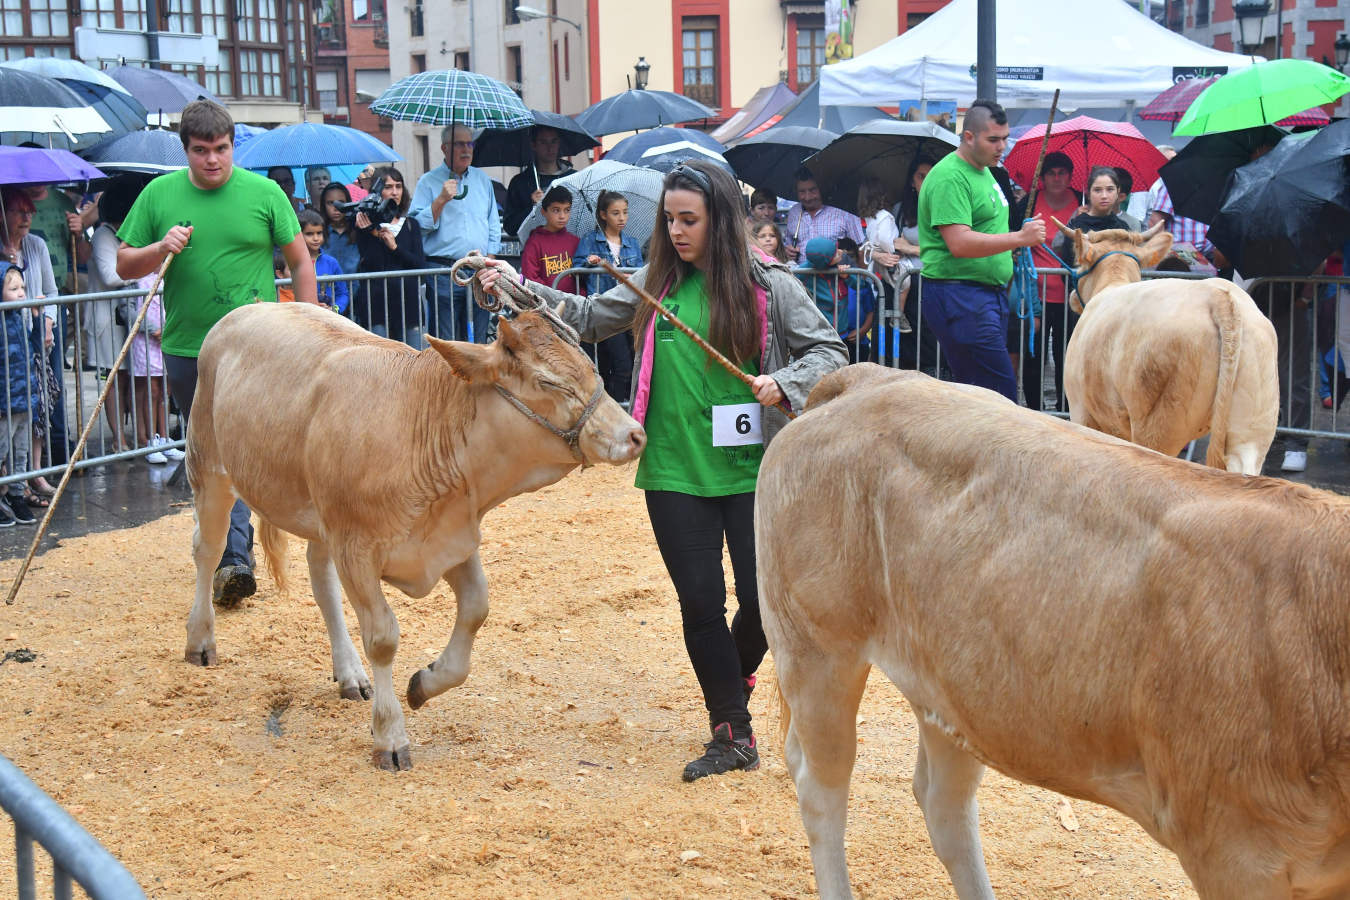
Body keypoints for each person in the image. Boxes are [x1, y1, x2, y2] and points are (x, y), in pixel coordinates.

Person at [475, 159, 848, 782]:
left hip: (756, 466)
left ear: (721, 221)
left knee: (761, 602)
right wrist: (519, 285)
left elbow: (829, 351)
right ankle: (732, 729)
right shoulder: (655, 282)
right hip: (672, 467)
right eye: (669, 220)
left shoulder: (771, 284)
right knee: (700, 602)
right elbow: (589, 317)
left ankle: (732, 674)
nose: (676, 232)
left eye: (689, 220)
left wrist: (784, 381)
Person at [116, 99, 317, 610]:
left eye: (221, 149)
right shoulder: (159, 194)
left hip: (261, 350)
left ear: (233, 147)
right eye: (202, 151)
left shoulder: (265, 193)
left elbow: (300, 261)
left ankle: (238, 554)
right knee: (213, 458)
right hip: (190, 352)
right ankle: (230, 556)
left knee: (254, 450)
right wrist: (160, 247)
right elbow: (122, 265)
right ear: (185, 151)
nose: (213, 160)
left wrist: (310, 327)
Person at [917, 98, 1045, 402]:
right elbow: (959, 243)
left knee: (984, 395)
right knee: (997, 395)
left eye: (1005, 138)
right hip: (960, 295)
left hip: (982, 295)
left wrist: (1013, 243)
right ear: (969, 137)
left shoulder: (984, 169)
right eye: (993, 140)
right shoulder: (951, 176)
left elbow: (986, 233)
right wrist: (1018, 239)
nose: (1002, 146)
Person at [411, 124, 501, 343]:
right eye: (459, 144)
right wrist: (440, 199)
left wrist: (491, 257)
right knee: (448, 339)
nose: (466, 149)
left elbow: (493, 223)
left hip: (479, 269)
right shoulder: (428, 181)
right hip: (443, 271)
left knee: (480, 338)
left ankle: (479, 378)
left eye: (469, 143)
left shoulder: (482, 180)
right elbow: (415, 226)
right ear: (444, 148)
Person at [0, 186, 64, 489]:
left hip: (38, 336)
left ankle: (33, 472)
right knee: (10, 412)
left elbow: (51, 291)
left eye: (29, 212)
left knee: (37, 405)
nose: (26, 217)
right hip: (8, 340)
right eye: (19, 212)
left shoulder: (36, 245)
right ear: (4, 214)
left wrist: (48, 319)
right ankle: (12, 482)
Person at [1012, 150, 1080, 412]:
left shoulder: (1081, 203)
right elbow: (1014, 234)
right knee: (1034, 356)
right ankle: (1035, 409)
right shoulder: (1029, 203)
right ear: (1042, 177)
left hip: (1070, 297)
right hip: (1034, 294)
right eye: (1051, 173)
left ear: (1071, 176)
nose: (1056, 178)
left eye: (1062, 173)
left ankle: (1066, 409)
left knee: (1067, 356)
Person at [86, 176, 148, 454]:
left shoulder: (125, 235)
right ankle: (118, 438)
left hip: (126, 316)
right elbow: (111, 277)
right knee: (112, 378)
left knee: (128, 377)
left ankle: (137, 435)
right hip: (106, 319)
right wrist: (142, 271)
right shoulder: (103, 235)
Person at [574, 189, 643, 403]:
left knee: (632, 362)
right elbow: (577, 267)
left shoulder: (632, 243)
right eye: (615, 213)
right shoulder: (590, 240)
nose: (622, 218)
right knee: (616, 364)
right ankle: (615, 406)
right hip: (606, 308)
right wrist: (591, 263)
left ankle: (622, 405)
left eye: (625, 212)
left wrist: (628, 276)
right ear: (603, 215)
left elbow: (640, 273)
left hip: (631, 310)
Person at [352, 167, 426, 347]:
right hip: (376, 305)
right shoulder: (365, 223)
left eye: (398, 186)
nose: (394, 192)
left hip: (408, 305)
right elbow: (370, 263)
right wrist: (371, 233)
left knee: (414, 359)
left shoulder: (411, 224)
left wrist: (395, 247)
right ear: (378, 191)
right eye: (388, 187)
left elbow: (420, 267)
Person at [119, 264, 177, 467]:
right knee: (151, 389)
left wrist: (170, 328)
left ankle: (165, 437)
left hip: (166, 337)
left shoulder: (169, 275)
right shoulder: (134, 280)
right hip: (145, 340)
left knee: (165, 390)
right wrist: (152, 330)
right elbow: (128, 310)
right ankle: (151, 439)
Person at [0, 265, 41, 526]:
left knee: (21, 451)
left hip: (25, 397)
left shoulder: (20, 318)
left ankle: (16, 495)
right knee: (2, 450)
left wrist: (37, 319)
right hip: (5, 402)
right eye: (13, 289)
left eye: (22, 288)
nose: (20, 293)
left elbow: (37, 346)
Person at [504, 126, 576, 237]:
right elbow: (510, 227)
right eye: (543, 142)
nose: (550, 147)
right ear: (533, 145)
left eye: (554, 141)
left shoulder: (573, 178)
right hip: (534, 250)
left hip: (568, 250)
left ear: (559, 143)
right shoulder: (520, 183)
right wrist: (532, 208)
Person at [782, 167, 864, 263]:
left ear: (822, 188)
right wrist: (788, 252)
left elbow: (861, 249)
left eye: (813, 190)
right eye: (802, 192)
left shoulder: (844, 212)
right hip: (801, 275)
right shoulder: (794, 212)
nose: (807, 197)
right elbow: (789, 245)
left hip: (835, 276)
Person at [520, 185, 580, 294]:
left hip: (574, 306)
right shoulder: (534, 243)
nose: (562, 216)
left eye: (567, 210)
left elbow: (582, 278)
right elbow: (530, 278)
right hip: (546, 305)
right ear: (543, 211)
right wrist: (551, 297)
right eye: (556, 210)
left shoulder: (575, 241)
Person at [298, 208, 349, 313]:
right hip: (300, 317)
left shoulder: (331, 262)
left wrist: (334, 309)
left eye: (319, 233)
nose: (316, 238)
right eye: (309, 234)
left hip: (328, 317)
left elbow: (343, 293)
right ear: (299, 235)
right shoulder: (292, 262)